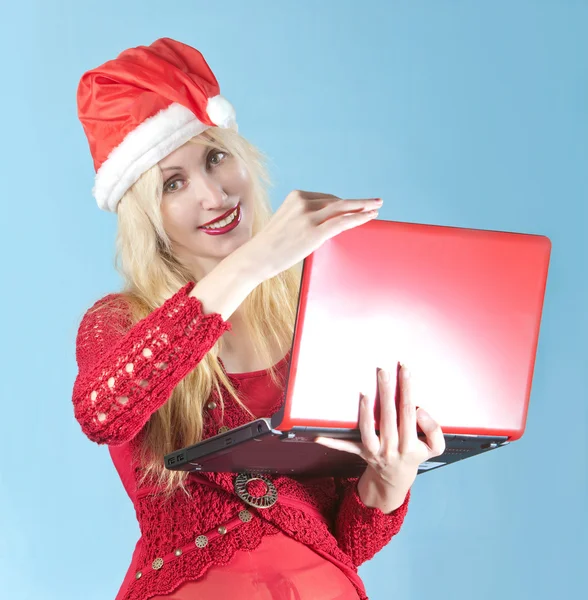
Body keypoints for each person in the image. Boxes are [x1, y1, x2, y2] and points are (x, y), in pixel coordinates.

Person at [72, 37, 445, 600]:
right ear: (148, 217)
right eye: (173, 183)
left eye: (215, 157)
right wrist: (254, 261)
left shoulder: (316, 319)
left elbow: (334, 538)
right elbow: (103, 412)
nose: (212, 193)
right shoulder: (120, 321)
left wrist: (390, 481)